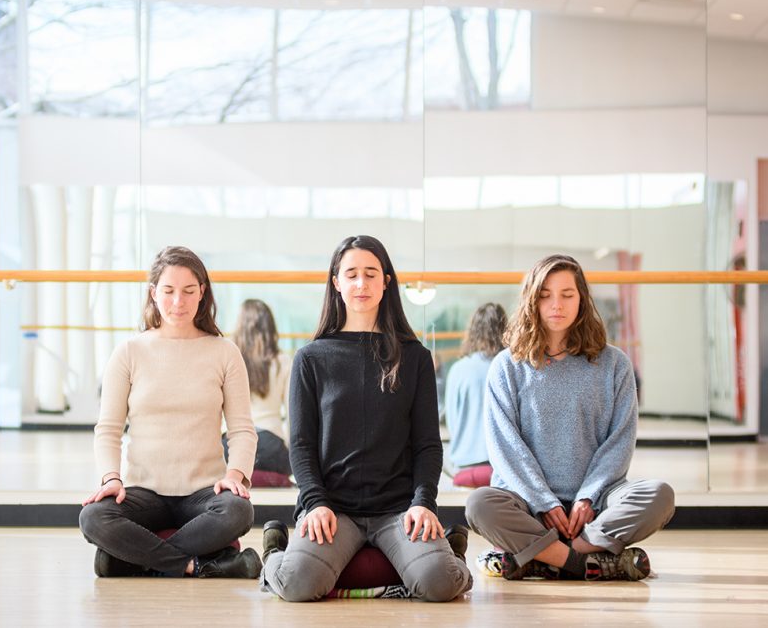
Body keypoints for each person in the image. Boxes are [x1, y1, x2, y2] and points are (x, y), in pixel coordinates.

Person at [260, 235, 473, 602]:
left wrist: (423, 502)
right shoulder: (311, 359)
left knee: (441, 583)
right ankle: (274, 552)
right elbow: (301, 445)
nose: (361, 284)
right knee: (296, 584)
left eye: (371, 274)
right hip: (333, 509)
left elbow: (427, 444)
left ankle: (450, 552)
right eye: (352, 274)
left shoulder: (415, 357)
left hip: (399, 510)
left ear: (386, 282)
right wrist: (315, 502)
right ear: (336, 282)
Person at [465, 254, 675, 582]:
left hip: (596, 506)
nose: (556, 305)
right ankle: (582, 563)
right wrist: (543, 502)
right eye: (545, 295)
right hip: (526, 504)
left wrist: (588, 497)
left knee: (659, 495)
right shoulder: (507, 366)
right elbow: (506, 449)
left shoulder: (614, 364)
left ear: (582, 300)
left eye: (567, 294)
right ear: (531, 301)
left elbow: (619, 442)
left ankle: (542, 558)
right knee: (480, 504)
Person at [78, 246, 261, 579]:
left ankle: (131, 561)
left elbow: (242, 431)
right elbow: (108, 430)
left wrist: (234, 476)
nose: (179, 301)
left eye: (189, 291)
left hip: (205, 492)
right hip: (144, 492)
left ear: (202, 293)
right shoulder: (129, 352)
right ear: (153, 293)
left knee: (239, 511)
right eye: (169, 291)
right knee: (92, 517)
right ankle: (196, 565)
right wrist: (111, 478)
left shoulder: (225, 352)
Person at [444, 302, 507, 488]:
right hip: (501, 470)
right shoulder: (509, 367)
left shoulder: (458, 369)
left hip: (465, 469)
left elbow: (452, 422)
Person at [230, 299, 293, 477]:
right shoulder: (283, 361)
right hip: (272, 446)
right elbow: (292, 414)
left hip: (233, 446)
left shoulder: (230, 360)